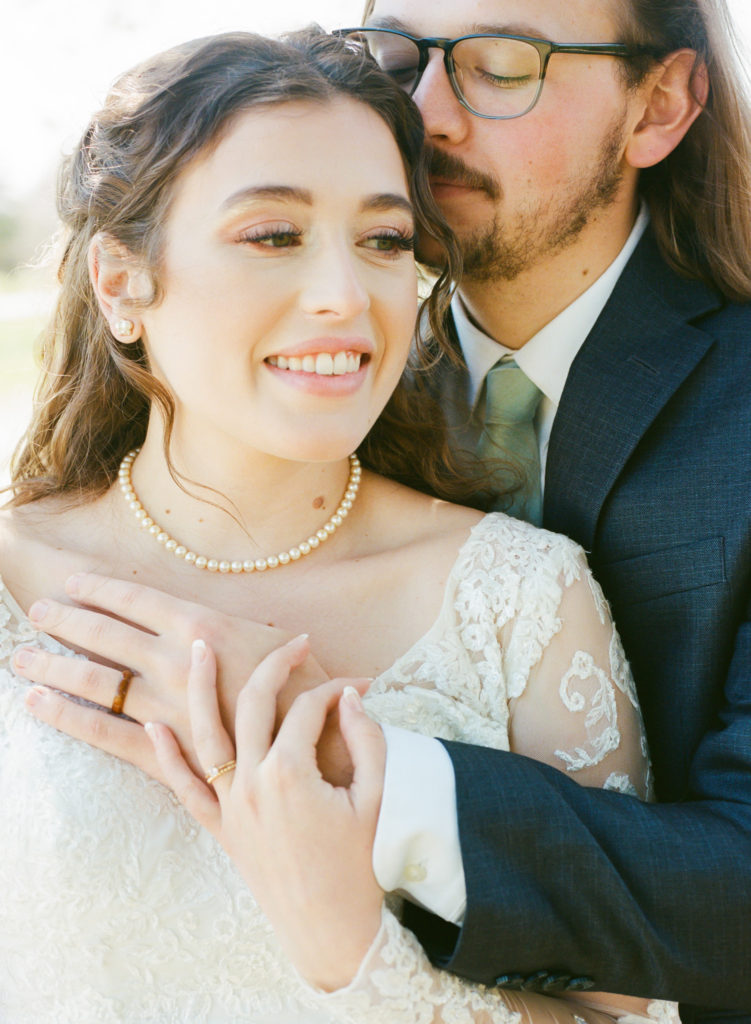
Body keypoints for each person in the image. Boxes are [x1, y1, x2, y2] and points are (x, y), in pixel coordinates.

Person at [14, 0, 751, 1019]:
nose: (426, 113)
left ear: (659, 104)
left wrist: (329, 760)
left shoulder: (520, 581)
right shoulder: (334, 372)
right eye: (399, 57)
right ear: (118, 279)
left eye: (502, 65)